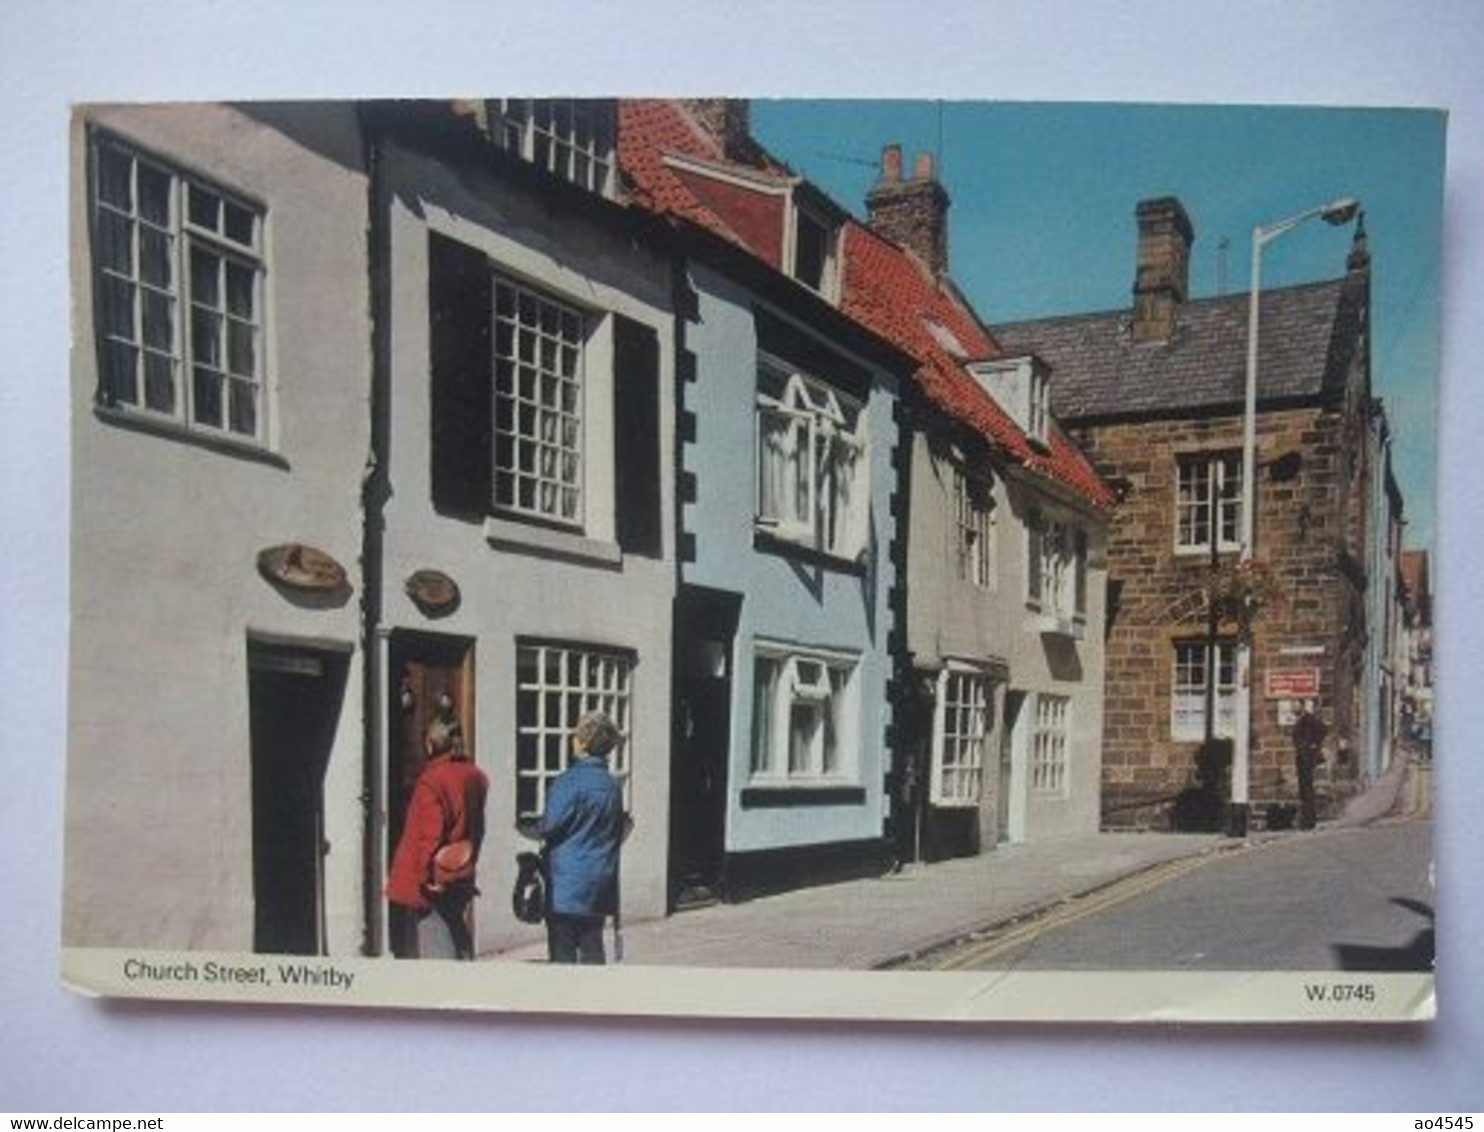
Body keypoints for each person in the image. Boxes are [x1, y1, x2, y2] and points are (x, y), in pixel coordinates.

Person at [522, 710, 628, 965]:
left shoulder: (568, 782)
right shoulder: (613, 786)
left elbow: (549, 826)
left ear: (584, 742)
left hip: (567, 884)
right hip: (601, 878)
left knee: (563, 953)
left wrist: (528, 827)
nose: (572, 739)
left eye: (576, 735)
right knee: (592, 946)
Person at [386, 714, 489, 960]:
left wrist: (423, 877)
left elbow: (430, 834)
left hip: (435, 876)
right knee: (456, 931)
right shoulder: (474, 776)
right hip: (461, 867)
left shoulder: (432, 780)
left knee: (435, 942)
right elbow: (478, 827)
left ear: (430, 744)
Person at [1291, 699, 1327, 831]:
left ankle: (1309, 821)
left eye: (1295, 705)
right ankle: (1306, 819)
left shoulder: (1308, 718)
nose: (1293, 708)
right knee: (1304, 789)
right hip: (1301, 756)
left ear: (1301, 706)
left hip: (1307, 757)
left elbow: (1323, 729)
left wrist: (1314, 744)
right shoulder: (1301, 719)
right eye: (1292, 706)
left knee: (1307, 789)